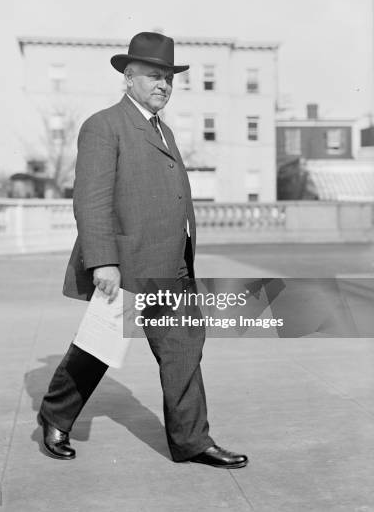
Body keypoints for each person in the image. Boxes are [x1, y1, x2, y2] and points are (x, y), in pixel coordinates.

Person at [38, 31, 248, 469]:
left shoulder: (164, 130)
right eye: (154, 75)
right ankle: (56, 416)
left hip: (173, 266)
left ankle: (192, 441)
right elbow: (91, 200)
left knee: (184, 349)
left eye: (169, 78)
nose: (163, 85)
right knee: (99, 348)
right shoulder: (104, 125)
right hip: (128, 265)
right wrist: (104, 262)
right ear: (128, 77)